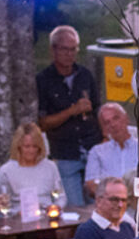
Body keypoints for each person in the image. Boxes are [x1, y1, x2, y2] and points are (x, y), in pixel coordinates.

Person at [36, 24, 103, 202]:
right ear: (53, 50)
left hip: (92, 148)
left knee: (98, 204)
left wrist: (103, 138)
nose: (69, 54)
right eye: (65, 49)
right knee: (74, 208)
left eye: (73, 49)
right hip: (65, 152)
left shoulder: (85, 75)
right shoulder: (43, 80)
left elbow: (98, 109)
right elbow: (42, 123)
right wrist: (72, 111)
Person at [85, 101, 139, 202]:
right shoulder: (96, 152)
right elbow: (90, 185)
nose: (113, 124)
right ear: (103, 129)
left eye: (116, 118)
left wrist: (134, 189)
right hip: (112, 203)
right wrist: (116, 194)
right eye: (107, 122)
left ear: (126, 119)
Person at [0, 122, 64, 211]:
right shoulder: (6, 171)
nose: (31, 151)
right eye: (27, 146)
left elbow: (61, 197)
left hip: (47, 215)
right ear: (19, 146)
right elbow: (2, 204)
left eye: (35, 146)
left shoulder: (50, 167)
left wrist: (57, 207)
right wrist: (15, 214)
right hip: (19, 219)